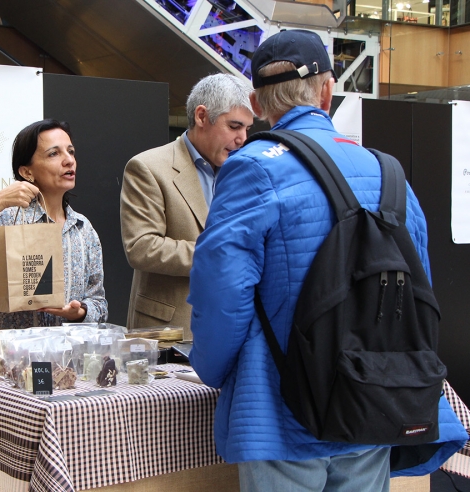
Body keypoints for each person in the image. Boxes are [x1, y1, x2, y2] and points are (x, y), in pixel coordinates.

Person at [188, 30, 467, 491]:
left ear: (257, 104)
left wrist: (212, 369)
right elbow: (420, 291)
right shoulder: (386, 169)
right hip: (373, 398)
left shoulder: (253, 166)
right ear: (327, 90)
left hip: (280, 407)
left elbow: (222, 292)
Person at [0, 119, 108, 357]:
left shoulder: (83, 229)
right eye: (54, 153)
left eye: (71, 151)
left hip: (66, 367)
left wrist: (80, 312)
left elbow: (99, 304)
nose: (69, 159)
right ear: (26, 172)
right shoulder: (6, 222)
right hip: (8, 367)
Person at [120, 73, 253, 335]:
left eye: (248, 128)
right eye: (235, 126)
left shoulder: (244, 172)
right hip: (170, 331)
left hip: (233, 326)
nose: (243, 138)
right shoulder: (148, 167)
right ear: (201, 117)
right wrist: (219, 254)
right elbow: (141, 247)